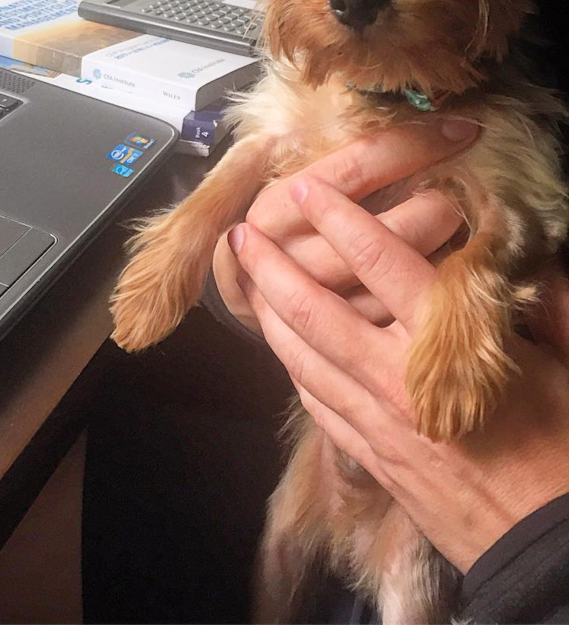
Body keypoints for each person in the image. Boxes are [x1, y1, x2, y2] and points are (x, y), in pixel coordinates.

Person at [210, 120, 569, 623]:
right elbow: (246, 181)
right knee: (281, 544)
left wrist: (546, 535)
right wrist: (245, 274)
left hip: (505, 515)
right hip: (346, 409)